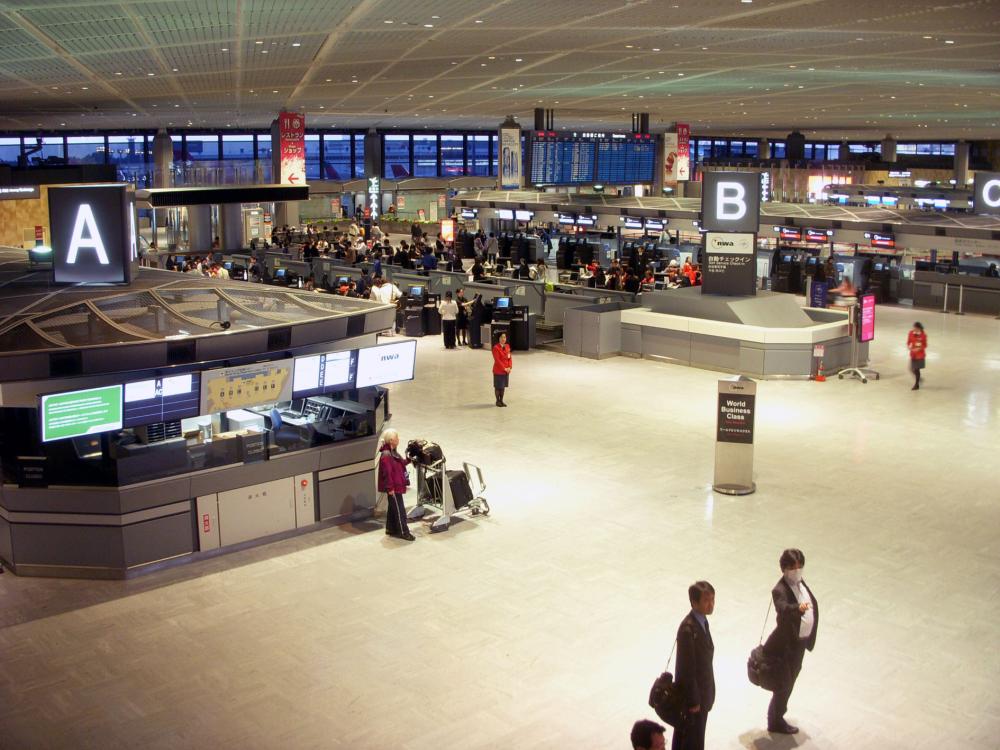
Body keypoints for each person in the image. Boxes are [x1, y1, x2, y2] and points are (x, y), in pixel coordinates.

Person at [763, 549, 818, 735]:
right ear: (784, 568)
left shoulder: (801, 584)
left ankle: (778, 715)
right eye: (793, 567)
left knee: (791, 680)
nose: (797, 570)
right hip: (786, 647)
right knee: (784, 683)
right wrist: (798, 609)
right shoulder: (779, 589)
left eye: (799, 566)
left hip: (799, 645)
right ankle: (775, 719)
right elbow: (783, 608)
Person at [672, 581, 715, 750]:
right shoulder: (687, 629)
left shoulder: (702, 622)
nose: (711, 604)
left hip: (702, 693)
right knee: (691, 737)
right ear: (694, 602)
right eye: (706, 600)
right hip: (694, 697)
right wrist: (693, 700)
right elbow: (686, 669)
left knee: (696, 735)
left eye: (712, 599)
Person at [376, 429, 414, 541]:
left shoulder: (393, 451)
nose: (399, 439)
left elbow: (400, 463)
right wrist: (390, 488)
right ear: (392, 440)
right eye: (397, 438)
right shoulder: (387, 455)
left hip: (396, 486)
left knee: (393, 508)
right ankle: (404, 532)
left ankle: (390, 529)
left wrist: (409, 460)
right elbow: (387, 473)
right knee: (400, 510)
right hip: (394, 488)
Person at [491, 331, 512, 407]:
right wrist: (504, 368)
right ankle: (497, 401)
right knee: (498, 387)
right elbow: (497, 360)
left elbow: (509, 358)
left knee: (503, 387)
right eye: (502, 337)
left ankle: (501, 401)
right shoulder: (496, 348)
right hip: (498, 371)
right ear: (498, 338)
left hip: (506, 371)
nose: (503, 339)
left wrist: (509, 367)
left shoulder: (507, 346)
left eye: (504, 337)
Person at [907, 321, 927, 390]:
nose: (914, 329)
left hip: (920, 355)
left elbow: (925, 345)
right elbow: (908, 342)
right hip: (913, 354)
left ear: (919, 328)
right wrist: (909, 347)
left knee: (916, 369)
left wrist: (918, 349)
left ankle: (916, 384)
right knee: (911, 369)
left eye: (915, 328)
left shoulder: (923, 335)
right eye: (914, 328)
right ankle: (919, 379)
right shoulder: (911, 333)